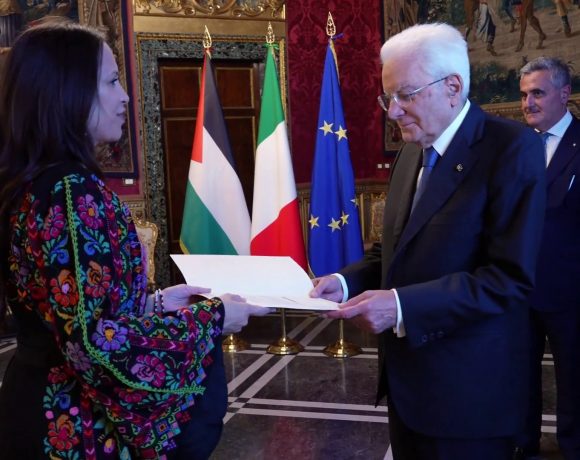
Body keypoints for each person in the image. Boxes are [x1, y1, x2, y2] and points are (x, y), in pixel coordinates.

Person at [0, 20, 270, 459]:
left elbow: (70, 312)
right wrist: (215, 317)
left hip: (36, 401)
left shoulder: (34, 183)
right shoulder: (71, 192)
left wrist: (154, 304)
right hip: (72, 424)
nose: (125, 96)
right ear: (69, 93)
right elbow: (91, 343)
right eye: (111, 81)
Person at [311, 22, 546, 460]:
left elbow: (508, 279)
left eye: (406, 95)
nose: (392, 111)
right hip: (407, 389)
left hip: (468, 398)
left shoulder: (511, 149)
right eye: (388, 97)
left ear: (452, 87)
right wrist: (343, 283)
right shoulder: (410, 153)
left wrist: (400, 306)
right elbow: (393, 251)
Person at [515, 56, 580, 460]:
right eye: (524, 94)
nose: (528, 103)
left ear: (564, 93)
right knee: (519, 375)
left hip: (570, 290)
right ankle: (524, 443)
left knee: (573, 377)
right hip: (519, 288)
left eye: (537, 93)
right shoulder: (517, 147)